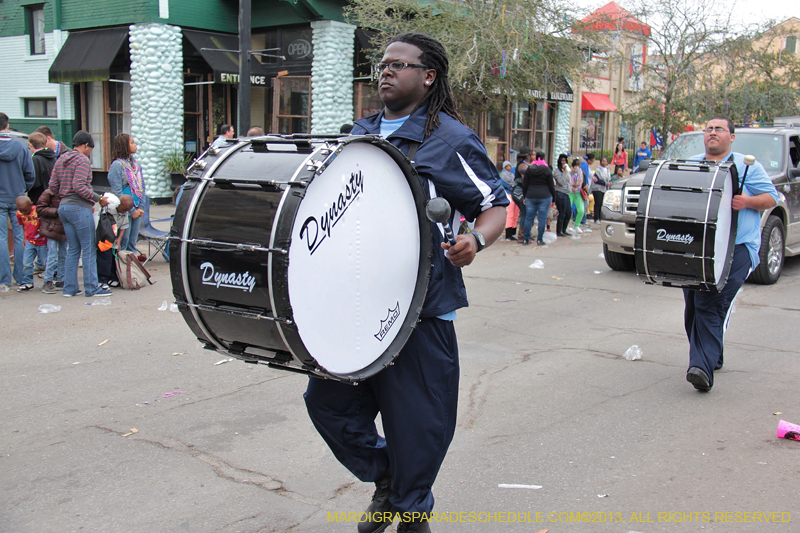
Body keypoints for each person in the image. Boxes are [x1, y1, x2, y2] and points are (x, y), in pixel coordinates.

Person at [304, 32, 507, 533]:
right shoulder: (360, 133)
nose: (386, 71)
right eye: (383, 64)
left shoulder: (451, 139)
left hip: (422, 305)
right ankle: (389, 478)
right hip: (357, 301)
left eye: (399, 64)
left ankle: (413, 512)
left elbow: (495, 206)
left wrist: (475, 240)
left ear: (428, 76)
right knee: (328, 404)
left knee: (420, 421)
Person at [683, 116, 778, 392]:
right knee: (693, 305)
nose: (712, 133)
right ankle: (715, 355)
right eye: (709, 129)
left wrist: (746, 201)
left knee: (709, 302)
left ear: (731, 137)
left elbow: (771, 197)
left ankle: (701, 368)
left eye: (719, 129)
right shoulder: (692, 164)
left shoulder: (748, 166)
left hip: (738, 248)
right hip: (700, 247)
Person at [48, 130, 111, 298]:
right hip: (79, 207)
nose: (90, 152)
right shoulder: (82, 160)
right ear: (85, 145)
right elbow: (78, 186)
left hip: (64, 207)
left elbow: (52, 186)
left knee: (73, 249)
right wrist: (98, 199)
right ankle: (92, 288)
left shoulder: (61, 159)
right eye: (90, 149)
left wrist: (64, 194)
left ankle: (70, 288)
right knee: (88, 249)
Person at [0, 112, 35, 290]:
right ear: (7, 126)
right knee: (21, 237)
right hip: (18, 199)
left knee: (1, 238)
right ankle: (22, 277)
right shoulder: (21, 147)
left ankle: (4, 280)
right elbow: (30, 174)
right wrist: (22, 191)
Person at [107, 134, 145, 254]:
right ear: (124, 146)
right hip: (125, 210)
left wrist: (140, 207)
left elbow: (141, 186)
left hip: (137, 206)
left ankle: (131, 263)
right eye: (132, 143)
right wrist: (132, 211)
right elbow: (117, 191)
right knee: (124, 241)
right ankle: (122, 263)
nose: (135, 145)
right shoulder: (117, 165)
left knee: (132, 241)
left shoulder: (136, 165)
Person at [96, 194, 134, 290]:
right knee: (105, 257)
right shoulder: (109, 208)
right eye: (123, 209)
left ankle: (113, 278)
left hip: (115, 236)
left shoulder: (125, 212)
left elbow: (123, 226)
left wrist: (119, 239)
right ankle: (102, 280)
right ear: (119, 204)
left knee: (114, 257)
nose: (124, 212)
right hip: (105, 235)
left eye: (126, 211)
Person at [36, 188, 67, 293]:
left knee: (63, 254)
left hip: (64, 228)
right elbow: (40, 209)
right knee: (52, 255)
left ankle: (61, 279)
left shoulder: (70, 191)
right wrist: (56, 211)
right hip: (52, 228)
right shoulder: (49, 193)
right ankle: (47, 281)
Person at [521, 151, 555, 246]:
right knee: (542, 218)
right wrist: (554, 198)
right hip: (545, 196)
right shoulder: (547, 170)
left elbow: (525, 184)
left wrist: (524, 196)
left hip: (530, 195)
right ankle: (540, 240)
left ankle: (525, 239)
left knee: (529, 218)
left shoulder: (529, 169)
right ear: (544, 158)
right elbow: (551, 185)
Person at [14, 196, 47, 292]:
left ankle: (51, 278)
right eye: (21, 210)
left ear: (31, 205)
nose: (23, 213)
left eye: (25, 210)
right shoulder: (19, 214)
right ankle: (27, 282)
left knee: (45, 261)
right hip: (29, 240)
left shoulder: (37, 211)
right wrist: (24, 238)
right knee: (27, 263)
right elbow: (23, 226)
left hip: (42, 240)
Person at [27, 132, 57, 205]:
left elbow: (35, 182)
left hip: (39, 198)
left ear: (30, 144)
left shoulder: (35, 159)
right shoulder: (53, 157)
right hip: (52, 197)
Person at [511, 147, 532, 238]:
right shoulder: (523, 165)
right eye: (530, 154)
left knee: (526, 213)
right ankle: (522, 234)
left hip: (520, 192)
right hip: (520, 193)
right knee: (525, 213)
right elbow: (525, 180)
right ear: (527, 155)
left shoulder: (522, 164)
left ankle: (525, 233)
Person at [553, 153, 572, 237]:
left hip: (566, 193)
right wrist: (564, 172)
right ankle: (559, 231)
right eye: (562, 160)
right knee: (562, 212)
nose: (564, 162)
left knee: (568, 212)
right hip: (560, 193)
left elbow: (569, 181)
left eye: (565, 160)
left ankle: (564, 229)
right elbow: (561, 182)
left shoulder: (567, 171)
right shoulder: (557, 172)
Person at [568, 158, 586, 234]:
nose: (577, 167)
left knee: (581, 210)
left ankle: (576, 225)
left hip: (578, 192)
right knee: (568, 210)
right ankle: (565, 226)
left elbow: (583, 182)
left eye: (578, 165)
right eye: (575, 165)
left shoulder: (581, 173)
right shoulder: (569, 172)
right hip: (570, 192)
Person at [591, 156, 610, 223]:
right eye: (603, 161)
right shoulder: (598, 170)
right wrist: (605, 183)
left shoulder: (607, 169)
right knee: (598, 203)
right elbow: (597, 180)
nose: (604, 162)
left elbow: (609, 178)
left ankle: (600, 217)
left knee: (602, 204)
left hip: (604, 189)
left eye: (605, 161)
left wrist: (609, 183)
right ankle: (596, 218)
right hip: (597, 188)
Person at [579, 153, 595, 227]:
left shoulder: (587, 166)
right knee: (584, 203)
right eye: (592, 161)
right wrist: (586, 186)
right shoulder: (584, 165)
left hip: (586, 186)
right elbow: (584, 176)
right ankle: (583, 220)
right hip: (584, 187)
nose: (592, 162)